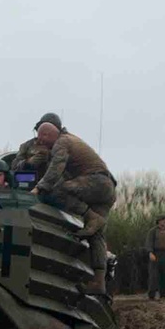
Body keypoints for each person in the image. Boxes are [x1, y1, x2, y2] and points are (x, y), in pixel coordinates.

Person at [29, 122, 116, 295]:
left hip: (95, 182)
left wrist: (38, 188)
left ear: (47, 134)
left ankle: (90, 216)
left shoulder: (63, 141)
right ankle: (99, 282)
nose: (41, 142)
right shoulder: (72, 140)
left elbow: (56, 169)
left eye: (42, 138)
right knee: (96, 234)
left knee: (55, 190)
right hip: (107, 189)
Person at [11, 112, 63, 181]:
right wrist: (28, 163)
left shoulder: (63, 146)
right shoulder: (27, 146)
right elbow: (14, 168)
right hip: (30, 183)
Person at [145, 216, 165, 299]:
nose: (164, 222)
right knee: (154, 275)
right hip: (156, 254)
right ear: (158, 222)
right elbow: (149, 242)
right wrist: (150, 252)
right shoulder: (153, 231)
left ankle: (164, 295)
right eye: (162, 221)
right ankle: (151, 295)